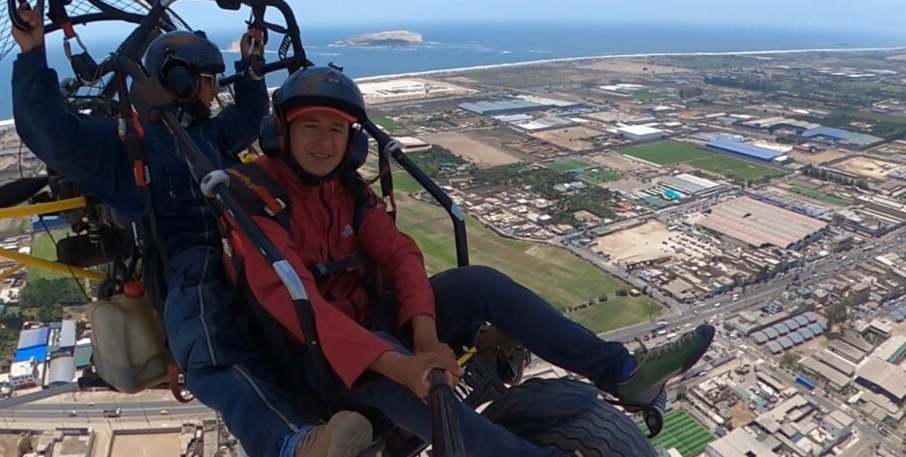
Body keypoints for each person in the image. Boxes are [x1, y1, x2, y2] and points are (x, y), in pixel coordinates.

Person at [232, 65, 716, 455]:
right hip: (325, 354)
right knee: (393, 358)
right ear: (281, 132)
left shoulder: (347, 190)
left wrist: (425, 334)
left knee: (479, 281)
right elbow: (302, 309)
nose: (324, 142)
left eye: (336, 129)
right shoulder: (256, 201)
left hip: (381, 323)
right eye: (309, 127)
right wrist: (406, 367)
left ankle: (624, 373)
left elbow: (400, 254)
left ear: (353, 141)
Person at [10, 8, 373, 457]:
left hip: (254, 244)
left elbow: (248, 114)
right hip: (193, 263)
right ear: (176, 79)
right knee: (209, 356)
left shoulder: (208, 134)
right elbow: (52, 135)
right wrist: (32, 56)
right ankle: (293, 442)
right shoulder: (125, 144)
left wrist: (251, 65)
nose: (214, 88)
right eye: (206, 78)